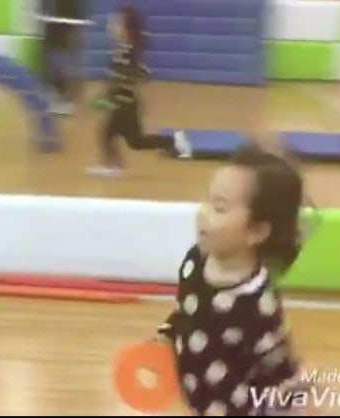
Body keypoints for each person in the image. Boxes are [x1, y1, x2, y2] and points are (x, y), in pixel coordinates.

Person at [156, 144, 311, 416]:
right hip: (198, 396)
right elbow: (186, 310)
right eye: (207, 200)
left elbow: (278, 366)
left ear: (256, 231)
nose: (203, 212)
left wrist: (297, 401)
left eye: (219, 207)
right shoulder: (195, 261)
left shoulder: (259, 305)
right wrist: (166, 334)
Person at [87, 6, 188, 178]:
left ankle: (115, 167)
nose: (111, 26)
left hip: (125, 105)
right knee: (134, 141)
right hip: (121, 102)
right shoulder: (120, 51)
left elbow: (142, 73)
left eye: (116, 23)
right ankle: (170, 142)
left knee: (109, 134)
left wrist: (122, 84)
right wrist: (106, 95)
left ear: (126, 29)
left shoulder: (127, 52)